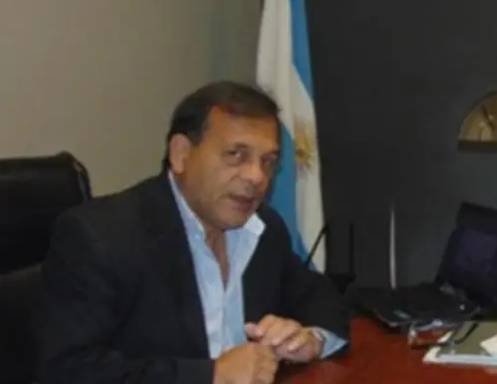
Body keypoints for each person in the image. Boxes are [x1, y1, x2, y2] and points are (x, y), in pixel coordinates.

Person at [35, 81, 350, 384]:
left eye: (267, 161)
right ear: (181, 154)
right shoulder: (101, 237)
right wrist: (210, 376)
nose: (257, 177)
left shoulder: (263, 229)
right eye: (236, 155)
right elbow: (68, 371)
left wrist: (309, 339)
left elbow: (323, 300)